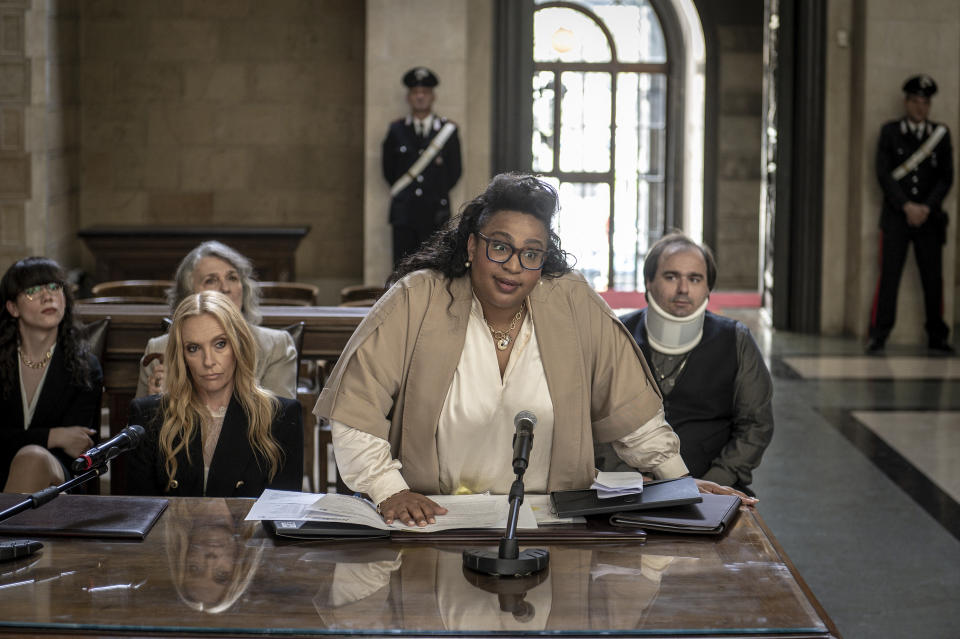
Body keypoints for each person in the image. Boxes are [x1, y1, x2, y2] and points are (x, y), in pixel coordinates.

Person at [315, 173, 754, 528]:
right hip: (434, 520)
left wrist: (679, 481)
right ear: (472, 245)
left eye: (531, 253)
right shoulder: (418, 298)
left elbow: (632, 411)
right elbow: (357, 407)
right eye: (500, 246)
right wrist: (388, 488)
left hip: (550, 523)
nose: (513, 266)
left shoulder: (571, 301)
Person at [606, 233, 773, 495]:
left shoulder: (736, 339)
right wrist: (628, 479)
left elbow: (755, 425)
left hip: (717, 486)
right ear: (649, 281)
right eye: (671, 277)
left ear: (708, 287)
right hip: (632, 488)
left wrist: (715, 483)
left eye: (695, 279)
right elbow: (595, 419)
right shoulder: (617, 335)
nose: (683, 289)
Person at [126, 291, 303, 497]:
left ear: (239, 346)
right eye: (193, 348)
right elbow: (140, 513)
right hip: (171, 530)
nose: (208, 361)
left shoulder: (281, 416)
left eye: (220, 344)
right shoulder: (149, 415)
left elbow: (282, 517)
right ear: (181, 355)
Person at [136, 241, 297, 399]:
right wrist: (156, 403)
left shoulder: (277, 345)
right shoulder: (158, 349)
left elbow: (280, 419)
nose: (225, 288)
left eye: (232, 278)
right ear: (188, 293)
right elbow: (137, 423)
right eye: (211, 280)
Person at [0, 257, 102, 493]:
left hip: (59, 478)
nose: (48, 296)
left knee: (33, 458)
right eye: (33, 290)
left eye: (55, 287)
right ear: (12, 307)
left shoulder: (85, 366)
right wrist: (52, 436)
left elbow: (77, 445)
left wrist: (36, 443)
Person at [868, 74, 954, 353]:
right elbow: (883, 174)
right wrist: (906, 206)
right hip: (896, 218)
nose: (920, 108)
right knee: (889, 277)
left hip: (929, 220)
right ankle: (879, 334)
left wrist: (925, 207)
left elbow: (946, 177)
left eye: (925, 103)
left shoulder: (940, 135)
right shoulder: (890, 132)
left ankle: (937, 336)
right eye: (916, 101)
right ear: (906, 102)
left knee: (933, 279)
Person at [382, 66, 462, 266]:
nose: (420, 97)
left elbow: (455, 171)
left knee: (435, 270)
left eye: (424, 92)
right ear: (409, 97)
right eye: (415, 92)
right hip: (404, 213)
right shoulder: (396, 130)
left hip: (436, 213)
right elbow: (388, 170)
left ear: (433, 96)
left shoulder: (447, 131)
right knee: (402, 271)